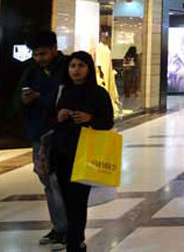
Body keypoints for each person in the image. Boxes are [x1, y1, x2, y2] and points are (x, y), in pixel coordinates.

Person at [51, 51, 114, 252]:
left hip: (85, 153)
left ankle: (75, 242)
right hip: (62, 153)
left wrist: (90, 120)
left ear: (88, 68)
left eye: (80, 65)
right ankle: (73, 239)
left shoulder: (98, 93)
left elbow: (107, 122)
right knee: (66, 201)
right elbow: (50, 121)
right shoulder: (63, 92)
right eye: (72, 66)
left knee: (77, 201)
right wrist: (59, 116)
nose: (76, 70)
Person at [14, 31, 69, 250]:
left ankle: (68, 230)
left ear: (55, 48)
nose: (40, 58)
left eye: (43, 53)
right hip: (40, 135)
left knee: (60, 183)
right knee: (47, 182)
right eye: (36, 54)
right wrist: (24, 100)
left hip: (63, 134)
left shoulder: (68, 68)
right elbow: (15, 104)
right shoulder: (30, 71)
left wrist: (42, 99)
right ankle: (59, 228)